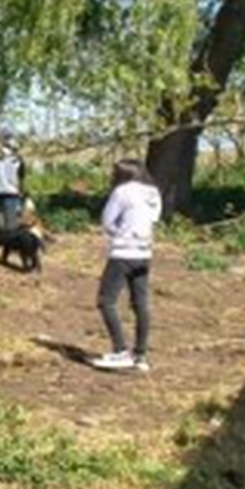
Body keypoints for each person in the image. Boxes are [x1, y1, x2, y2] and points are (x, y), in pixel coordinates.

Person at [95, 159, 164, 374]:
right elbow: (153, 220)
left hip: (123, 253)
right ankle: (140, 355)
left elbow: (107, 221)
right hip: (144, 254)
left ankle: (120, 351)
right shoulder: (153, 192)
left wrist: (120, 236)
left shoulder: (122, 191)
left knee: (106, 301)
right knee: (140, 303)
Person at [0, 129, 28, 244]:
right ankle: (9, 243)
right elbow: (21, 174)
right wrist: (21, 189)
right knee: (9, 220)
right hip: (9, 191)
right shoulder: (15, 155)